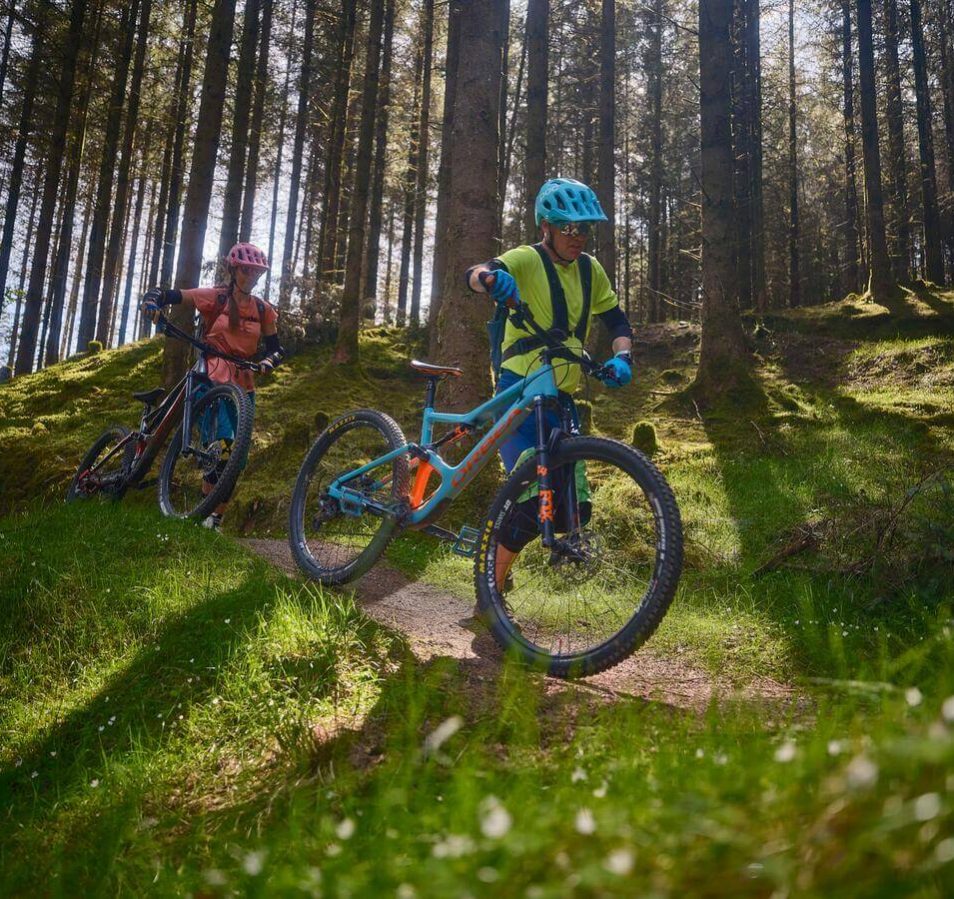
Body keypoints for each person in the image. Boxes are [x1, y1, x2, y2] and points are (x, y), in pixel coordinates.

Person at [465, 178, 634, 591]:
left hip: (561, 399)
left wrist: (623, 356)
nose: (578, 237)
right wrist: (492, 280)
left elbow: (617, 321)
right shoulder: (526, 258)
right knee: (531, 498)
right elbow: (475, 273)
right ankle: (490, 592)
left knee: (572, 508)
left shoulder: (590, 270)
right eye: (568, 227)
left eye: (584, 228)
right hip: (520, 392)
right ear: (546, 226)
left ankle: (494, 575)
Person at [140, 242, 285, 531]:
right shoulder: (216, 297)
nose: (252, 276)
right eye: (246, 270)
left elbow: (277, 349)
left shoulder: (263, 310)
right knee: (221, 444)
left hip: (244, 382)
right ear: (234, 270)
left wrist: (268, 361)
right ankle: (206, 513)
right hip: (212, 374)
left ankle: (213, 520)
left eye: (257, 272)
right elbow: (172, 295)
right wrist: (153, 301)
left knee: (237, 458)